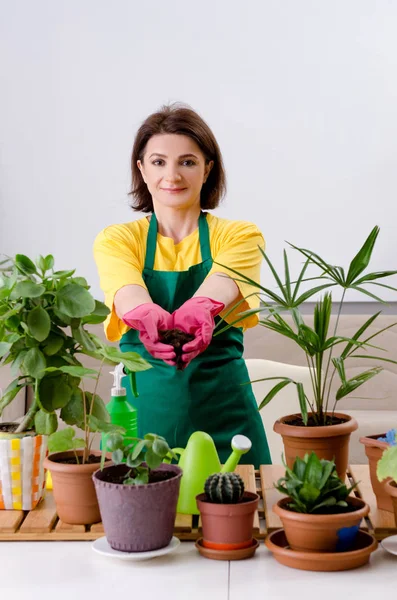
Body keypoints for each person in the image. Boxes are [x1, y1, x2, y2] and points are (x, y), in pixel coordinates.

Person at [93, 104, 271, 468]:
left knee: (244, 519)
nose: (172, 175)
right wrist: (146, 315)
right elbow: (128, 294)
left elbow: (219, 286)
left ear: (208, 168)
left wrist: (199, 309)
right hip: (142, 420)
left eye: (187, 162)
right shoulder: (117, 240)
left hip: (226, 417)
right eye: (158, 162)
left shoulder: (241, 235)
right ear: (141, 169)